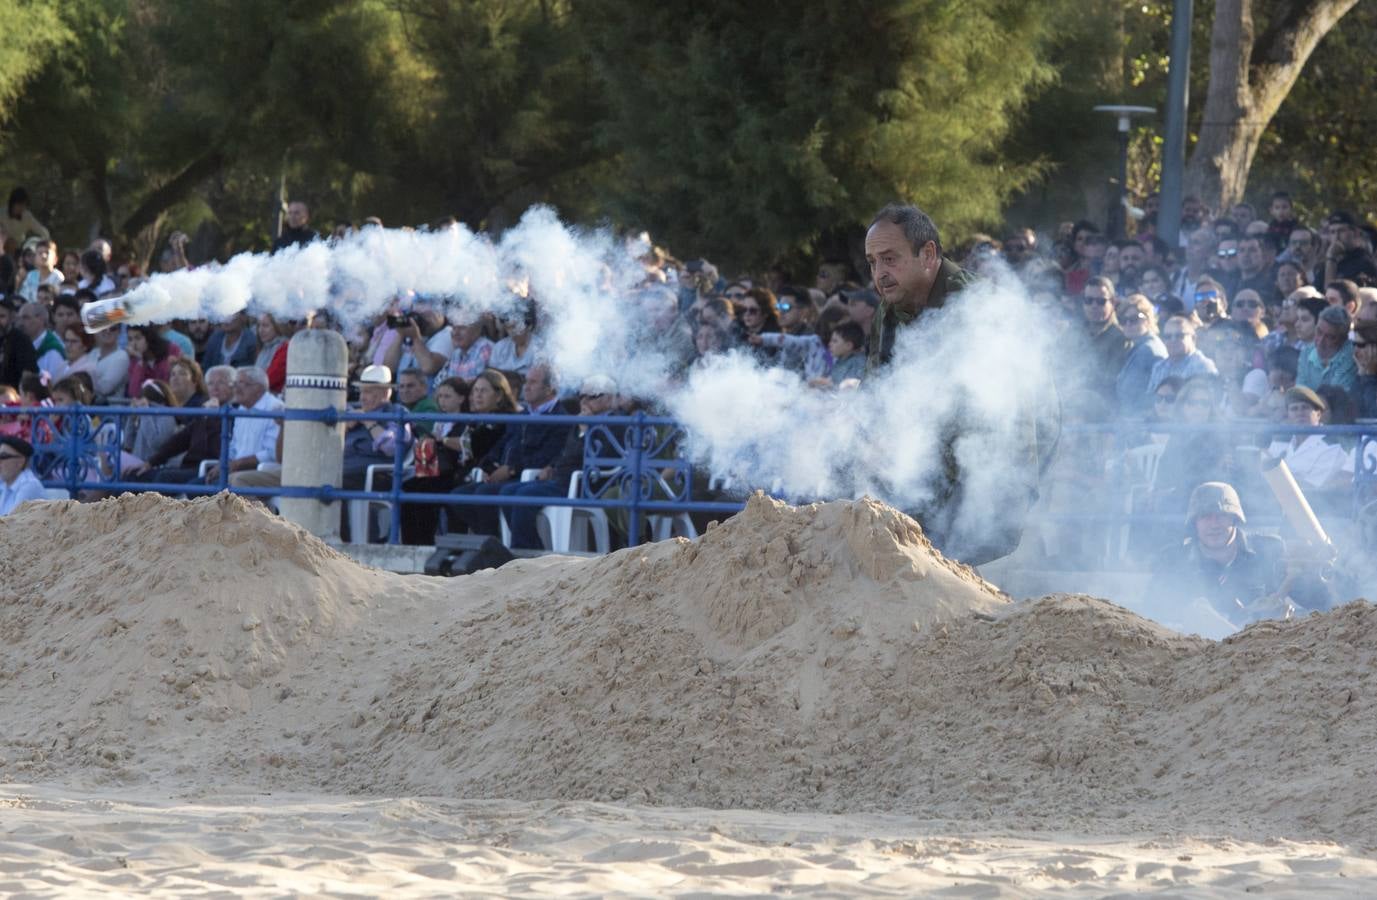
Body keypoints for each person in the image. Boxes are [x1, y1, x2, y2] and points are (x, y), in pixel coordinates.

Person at [862, 202, 1058, 564]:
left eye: (890, 258)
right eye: (873, 262)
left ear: (928, 254)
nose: (880, 273)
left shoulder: (979, 307)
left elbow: (1015, 417)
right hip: (930, 468)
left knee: (946, 570)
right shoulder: (888, 313)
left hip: (994, 469)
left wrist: (1002, 497)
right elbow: (877, 392)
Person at [444, 363, 572, 540]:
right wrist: (489, 466)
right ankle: (489, 543)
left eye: (533, 382)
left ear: (549, 389)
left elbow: (547, 456)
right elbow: (504, 444)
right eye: (526, 381)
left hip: (528, 477)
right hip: (510, 475)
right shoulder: (523, 416)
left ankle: (514, 549)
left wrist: (512, 469)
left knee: (488, 494)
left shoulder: (561, 419)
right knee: (458, 496)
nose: (526, 386)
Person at [1148, 482, 1287, 637]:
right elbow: (1152, 612)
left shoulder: (1267, 552)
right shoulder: (1174, 562)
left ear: (1234, 519)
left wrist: (1312, 570)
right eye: (1205, 516)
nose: (1214, 524)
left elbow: (1312, 600)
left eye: (1221, 516)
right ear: (1195, 522)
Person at [401, 371, 518, 544]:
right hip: (461, 471)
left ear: (499, 395)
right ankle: (415, 547)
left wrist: (441, 441)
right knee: (410, 487)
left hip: (477, 474)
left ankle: (463, 547)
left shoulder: (501, 420)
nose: (477, 396)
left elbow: (474, 445)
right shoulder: (474, 419)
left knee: (442, 491)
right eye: (475, 391)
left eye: (483, 391)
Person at [127, 365, 235, 484]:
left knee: (165, 478)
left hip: (208, 468)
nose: (215, 388)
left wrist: (215, 417)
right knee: (134, 475)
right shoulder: (204, 413)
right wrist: (150, 463)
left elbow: (218, 447)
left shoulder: (237, 412)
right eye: (210, 383)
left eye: (221, 383)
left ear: (233, 386)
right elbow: (179, 442)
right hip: (188, 466)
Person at [1267, 386, 1353, 495]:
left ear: (1318, 414)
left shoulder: (1331, 447)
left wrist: (1276, 477)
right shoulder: (1280, 441)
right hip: (1272, 501)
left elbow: (1313, 488)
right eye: (1294, 409)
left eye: (1305, 408)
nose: (1300, 412)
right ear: (1288, 415)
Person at [206, 366, 283, 483]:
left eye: (241, 383)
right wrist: (222, 464)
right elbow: (233, 447)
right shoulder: (241, 409)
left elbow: (271, 453)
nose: (236, 388)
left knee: (215, 488)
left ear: (259, 388)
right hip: (235, 468)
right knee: (196, 485)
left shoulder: (275, 408)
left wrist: (239, 463)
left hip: (260, 471)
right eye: (235, 383)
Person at [1116, 294, 1168, 418]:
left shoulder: (1150, 350)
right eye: (1123, 320)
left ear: (1148, 319)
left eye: (1134, 319)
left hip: (1141, 423)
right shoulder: (1139, 347)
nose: (1128, 324)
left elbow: (1157, 391)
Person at [1148, 315, 1218, 395]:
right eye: (1168, 337)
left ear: (1193, 339)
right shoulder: (1159, 367)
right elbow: (1150, 400)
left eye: (1179, 336)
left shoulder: (1203, 366)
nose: (1173, 340)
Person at [1297, 305, 1357, 394]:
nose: (1320, 341)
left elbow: (1336, 397)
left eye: (1330, 337)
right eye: (1319, 332)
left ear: (1343, 339)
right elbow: (1300, 392)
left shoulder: (1351, 356)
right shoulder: (1306, 352)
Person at [1321, 211, 1376, 286]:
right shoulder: (1327, 263)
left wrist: (1331, 259)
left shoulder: (1364, 262)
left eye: (1341, 231)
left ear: (1356, 232)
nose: (1336, 237)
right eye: (1332, 232)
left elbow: (1331, 293)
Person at [125, 325, 181, 398]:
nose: (133, 344)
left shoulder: (171, 350)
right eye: (130, 339)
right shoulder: (135, 360)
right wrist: (141, 361)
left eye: (138, 338)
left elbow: (167, 386)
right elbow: (133, 393)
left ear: (149, 337)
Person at [16, 302, 65, 382]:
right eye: (19, 318)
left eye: (26, 318)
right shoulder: (21, 345)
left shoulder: (53, 352)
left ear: (41, 320)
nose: (20, 323)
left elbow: (56, 384)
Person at [0, 436, 45, 515]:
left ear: (21, 461)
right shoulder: (5, 483)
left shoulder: (29, 485)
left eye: (3, 457)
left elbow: (11, 523)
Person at [823, 321, 866, 386]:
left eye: (835, 341)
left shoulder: (858, 362)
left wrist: (829, 384)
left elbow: (853, 385)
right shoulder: (839, 361)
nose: (829, 344)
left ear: (848, 345)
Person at [1351, 321, 1377, 419]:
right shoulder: (1362, 375)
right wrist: (1361, 374)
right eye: (1354, 344)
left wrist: (1369, 375)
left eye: (1361, 345)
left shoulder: (1368, 377)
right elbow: (1354, 413)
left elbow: (1374, 415)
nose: (1355, 351)